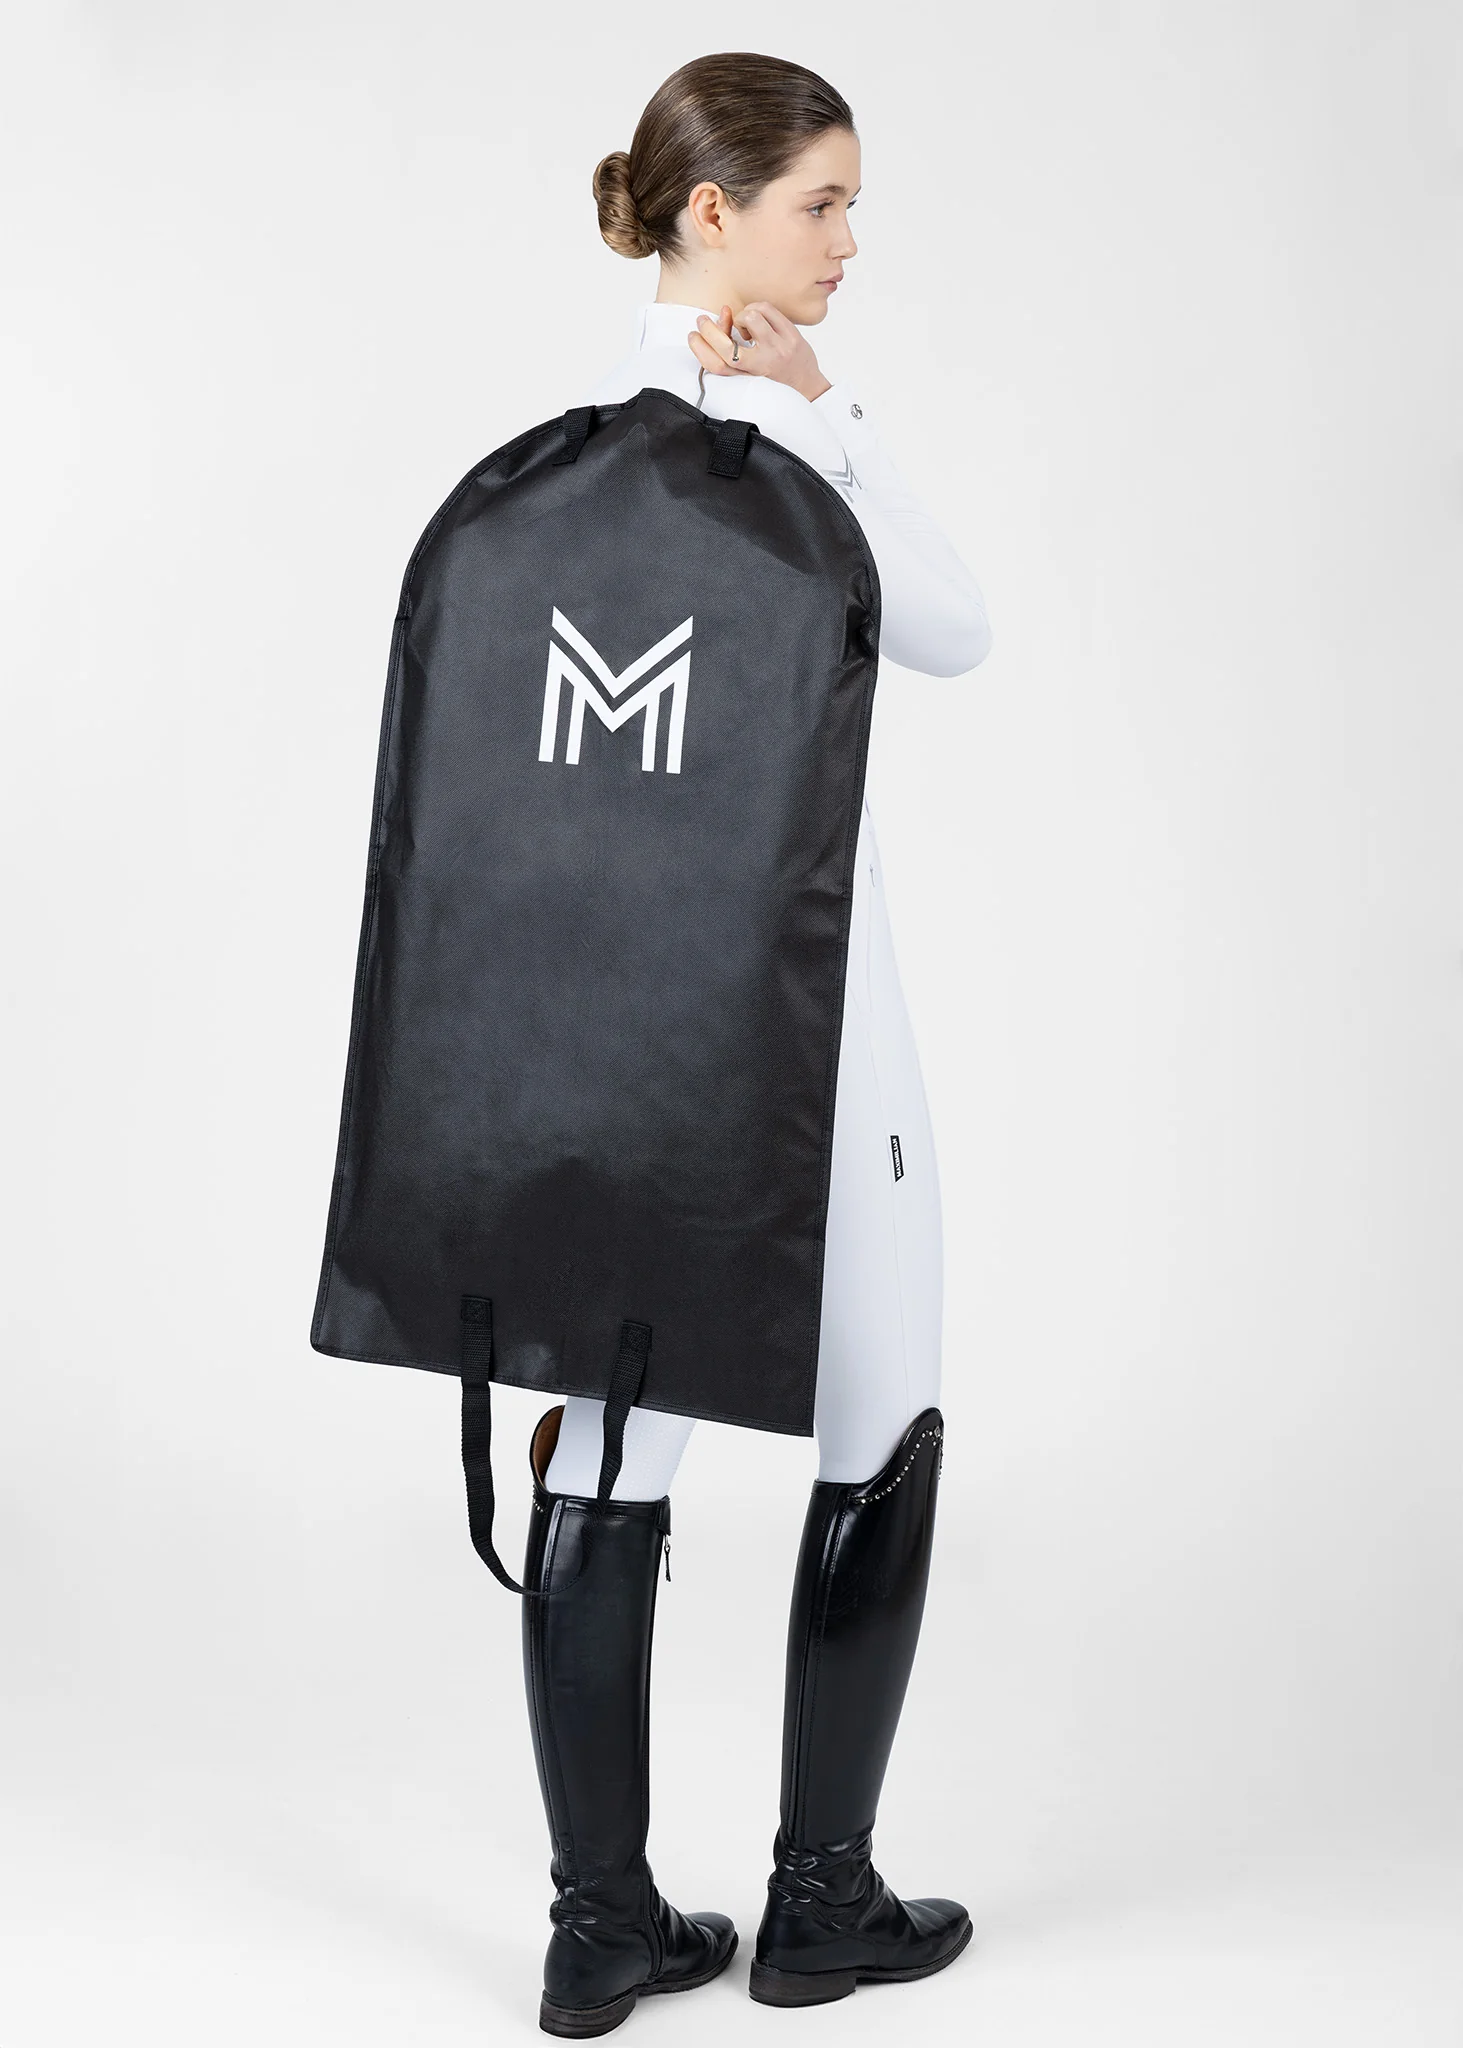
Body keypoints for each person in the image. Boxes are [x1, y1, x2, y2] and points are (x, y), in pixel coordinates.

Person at [516, 53, 992, 2039]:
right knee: (879, 1417)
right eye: (820, 202)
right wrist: (831, 418)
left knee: (612, 1429)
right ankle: (821, 1904)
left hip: (606, 1044)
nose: (848, 240)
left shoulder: (557, 462)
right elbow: (954, 628)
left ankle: (598, 1929)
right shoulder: (782, 454)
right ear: (712, 213)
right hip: (808, 1037)